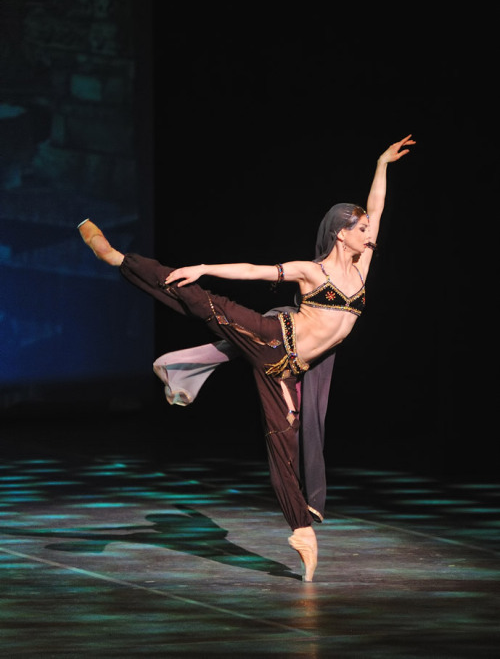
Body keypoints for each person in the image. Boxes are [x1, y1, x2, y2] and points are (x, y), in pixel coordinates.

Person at [77, 134, 415, 581]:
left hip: (283, 371)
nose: (371, 231)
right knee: (206, 303)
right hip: (273, 338)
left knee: (284, 444)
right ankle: (119, 258)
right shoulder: (311, 271)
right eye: (362, 227)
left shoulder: (363, 265)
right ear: (341, 232)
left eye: (369, 227)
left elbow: (380, 206)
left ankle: (301, 532)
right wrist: (204, 267)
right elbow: (255, 272)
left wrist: (381, 164)